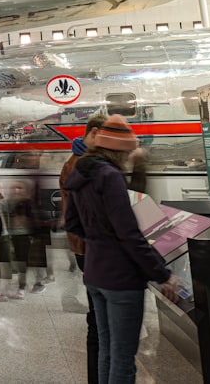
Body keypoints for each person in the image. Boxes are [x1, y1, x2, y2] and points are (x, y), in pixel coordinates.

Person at [64, 114, 183, 384]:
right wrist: (162, 274)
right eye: (128, 151)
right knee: (123, 358)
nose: (130, 156)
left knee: (106, 350)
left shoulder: (81, 172)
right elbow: (129, 234)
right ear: (118, 150)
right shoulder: (110, 176)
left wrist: (98, 240)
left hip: (95, 273)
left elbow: (71, 222)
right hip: (121, 280)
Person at [59, 114, 106, 384]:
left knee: (96, 317)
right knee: (100, 321)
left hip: (82, 245)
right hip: (93, 248)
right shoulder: (85, 165)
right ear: (96, 133)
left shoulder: (73, 161)